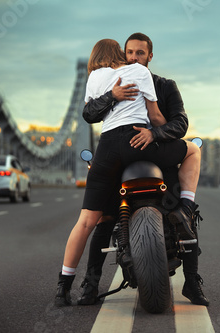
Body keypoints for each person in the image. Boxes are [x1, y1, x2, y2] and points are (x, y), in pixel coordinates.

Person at [55, 38, 202, 307]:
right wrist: (122, 103)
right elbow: (152, 114)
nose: (134, 57)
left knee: (91, 220)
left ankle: (192, 281)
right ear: (122, 54)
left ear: (150, 55)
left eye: (140, 53)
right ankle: (90, 283)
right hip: (142, 149)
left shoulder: (163, 84)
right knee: (105, 219)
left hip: (118, 151)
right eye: (129, 52)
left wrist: (154, 133)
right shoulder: (130, 74)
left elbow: (179, 122)